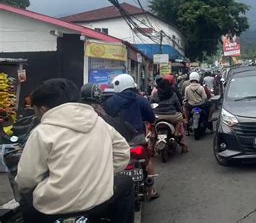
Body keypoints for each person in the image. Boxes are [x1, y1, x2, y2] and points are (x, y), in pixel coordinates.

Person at [16, 78, 133, 223]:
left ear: (43, 109)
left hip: (54, 208)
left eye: (34, 109)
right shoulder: (98, 121)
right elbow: (122, 152)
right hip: (99, 201)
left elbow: (26, 179)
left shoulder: (41, 132)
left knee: (25, 201)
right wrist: (103, 174)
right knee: (126, 183)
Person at [104, 74, 158, 199]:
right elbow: (151, 117)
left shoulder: (109, 102)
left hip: (116, 139)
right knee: (148, 161)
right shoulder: (140, 99)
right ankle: (151, 190)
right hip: (137, 137)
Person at [154, 79, 188, 153]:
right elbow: (178, 106)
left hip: (157, 116)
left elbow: (150, 103)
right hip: (171, 116)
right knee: (180, 118)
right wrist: (182, 113)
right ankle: (176, 132)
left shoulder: (155, 94)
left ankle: (153, 137)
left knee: (150, 124)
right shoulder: (173, 94)